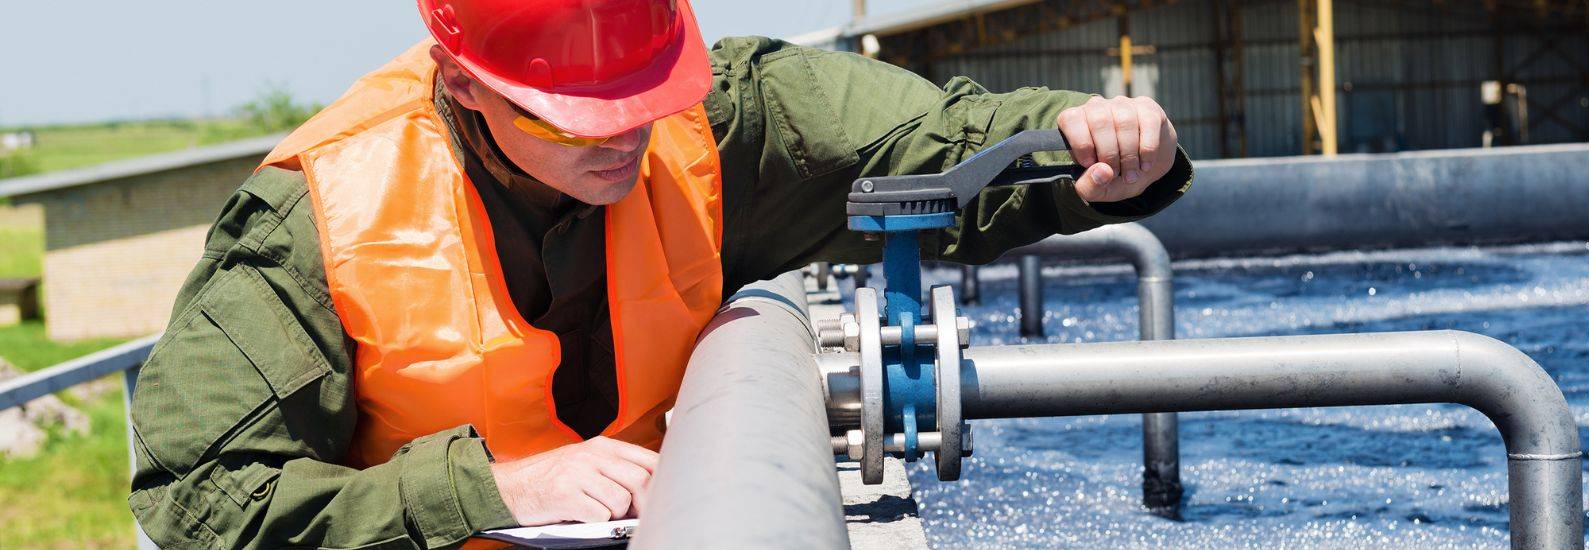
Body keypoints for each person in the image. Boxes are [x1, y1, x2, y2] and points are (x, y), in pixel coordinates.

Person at [127, 0, 1189, 546]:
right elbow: (202, 498)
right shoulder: (314, 217)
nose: (624, 138)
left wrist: (1088, 150)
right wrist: (488, 487)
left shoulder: (717, 119)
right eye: (579, 118)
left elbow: (939, 144)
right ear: (462, 81)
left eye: (642, 97)